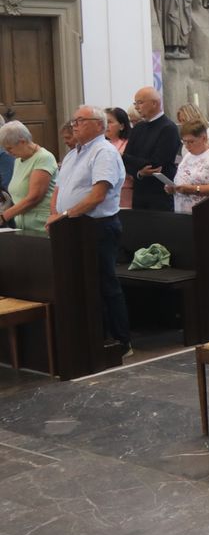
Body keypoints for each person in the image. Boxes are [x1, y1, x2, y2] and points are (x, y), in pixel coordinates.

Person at [47, 106, 131, 355]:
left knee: (104, 284)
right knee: (80, 284)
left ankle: (120, 341)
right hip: (71, 228)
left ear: (98, 124)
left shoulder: (104, 152)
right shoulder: (73, 154)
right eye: (74, 121)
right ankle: (93, 337)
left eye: (80, 121)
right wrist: (54, 215)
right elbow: (59, 190)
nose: (74, 125)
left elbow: (97, 196)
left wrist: (63, 215)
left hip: (97, 227)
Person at [124, 87, 181, 211]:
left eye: (140, 102)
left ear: (154, 103)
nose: (136, 107)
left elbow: (156, 163)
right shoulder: (138, 128)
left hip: (160, 194)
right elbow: (125, 160)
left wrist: (128, 159)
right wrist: (139, 173)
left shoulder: (168, 128)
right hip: (139, 193)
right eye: (135, 103)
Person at [163, 119, 209, 213]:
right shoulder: (188, 155)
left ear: (204, 138)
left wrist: (195, 189)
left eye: (191, 142)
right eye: (184, 141)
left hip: (205, 212)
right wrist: (174, 188)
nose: (187, 146)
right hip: (183, 211)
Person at [0, 120, 56, 231]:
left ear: (22, 142)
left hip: (42, 226)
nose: (7, 152)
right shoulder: (18, 160)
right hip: (22, 226)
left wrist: (3, 217)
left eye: (9, 148)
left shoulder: (44, 158)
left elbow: (34, 197)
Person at [105, 107, 133, 208]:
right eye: (104, 122)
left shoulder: (129, 144)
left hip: (124, 191)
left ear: (121, 126)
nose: (106, 125)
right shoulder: (101, 144)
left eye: (109, 122)